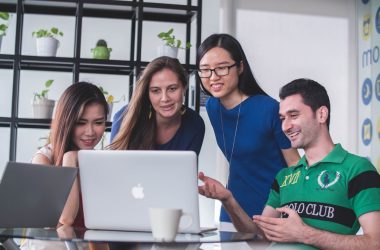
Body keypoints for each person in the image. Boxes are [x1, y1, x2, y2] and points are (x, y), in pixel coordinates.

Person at [198, 78, 380, 249]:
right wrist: (228, 199)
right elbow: (259, 241)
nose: (285, 126)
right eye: (283, 118)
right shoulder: (285, 176)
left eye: (293, 115)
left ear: (322, 114)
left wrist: (305, 234)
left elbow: (376, 242)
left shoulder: (358, 169)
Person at [196, 33, 300, 224]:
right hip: (232, 210)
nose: (213, 77)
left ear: (240, 67)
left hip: (273, 212)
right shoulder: (212, 107)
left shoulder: (269, 109)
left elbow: (295, 165)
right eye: (205, 70)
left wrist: (289, 212)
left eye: (222, 68)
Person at [31, 82, 109, 227]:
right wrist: (70, 159)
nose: (90, 132)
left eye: (98, 122)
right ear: (66, 122)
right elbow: (66, 219)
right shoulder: (43, 159)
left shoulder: (98, 162)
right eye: (81, 123)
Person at [109, 56, 205, 155]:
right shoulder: (124, 118)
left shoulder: (195, 124)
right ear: (147, 93)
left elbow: (187, 168)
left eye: (172, 89)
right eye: (156, 91)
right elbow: (114, 167)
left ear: (184, 88)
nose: (165, 98)